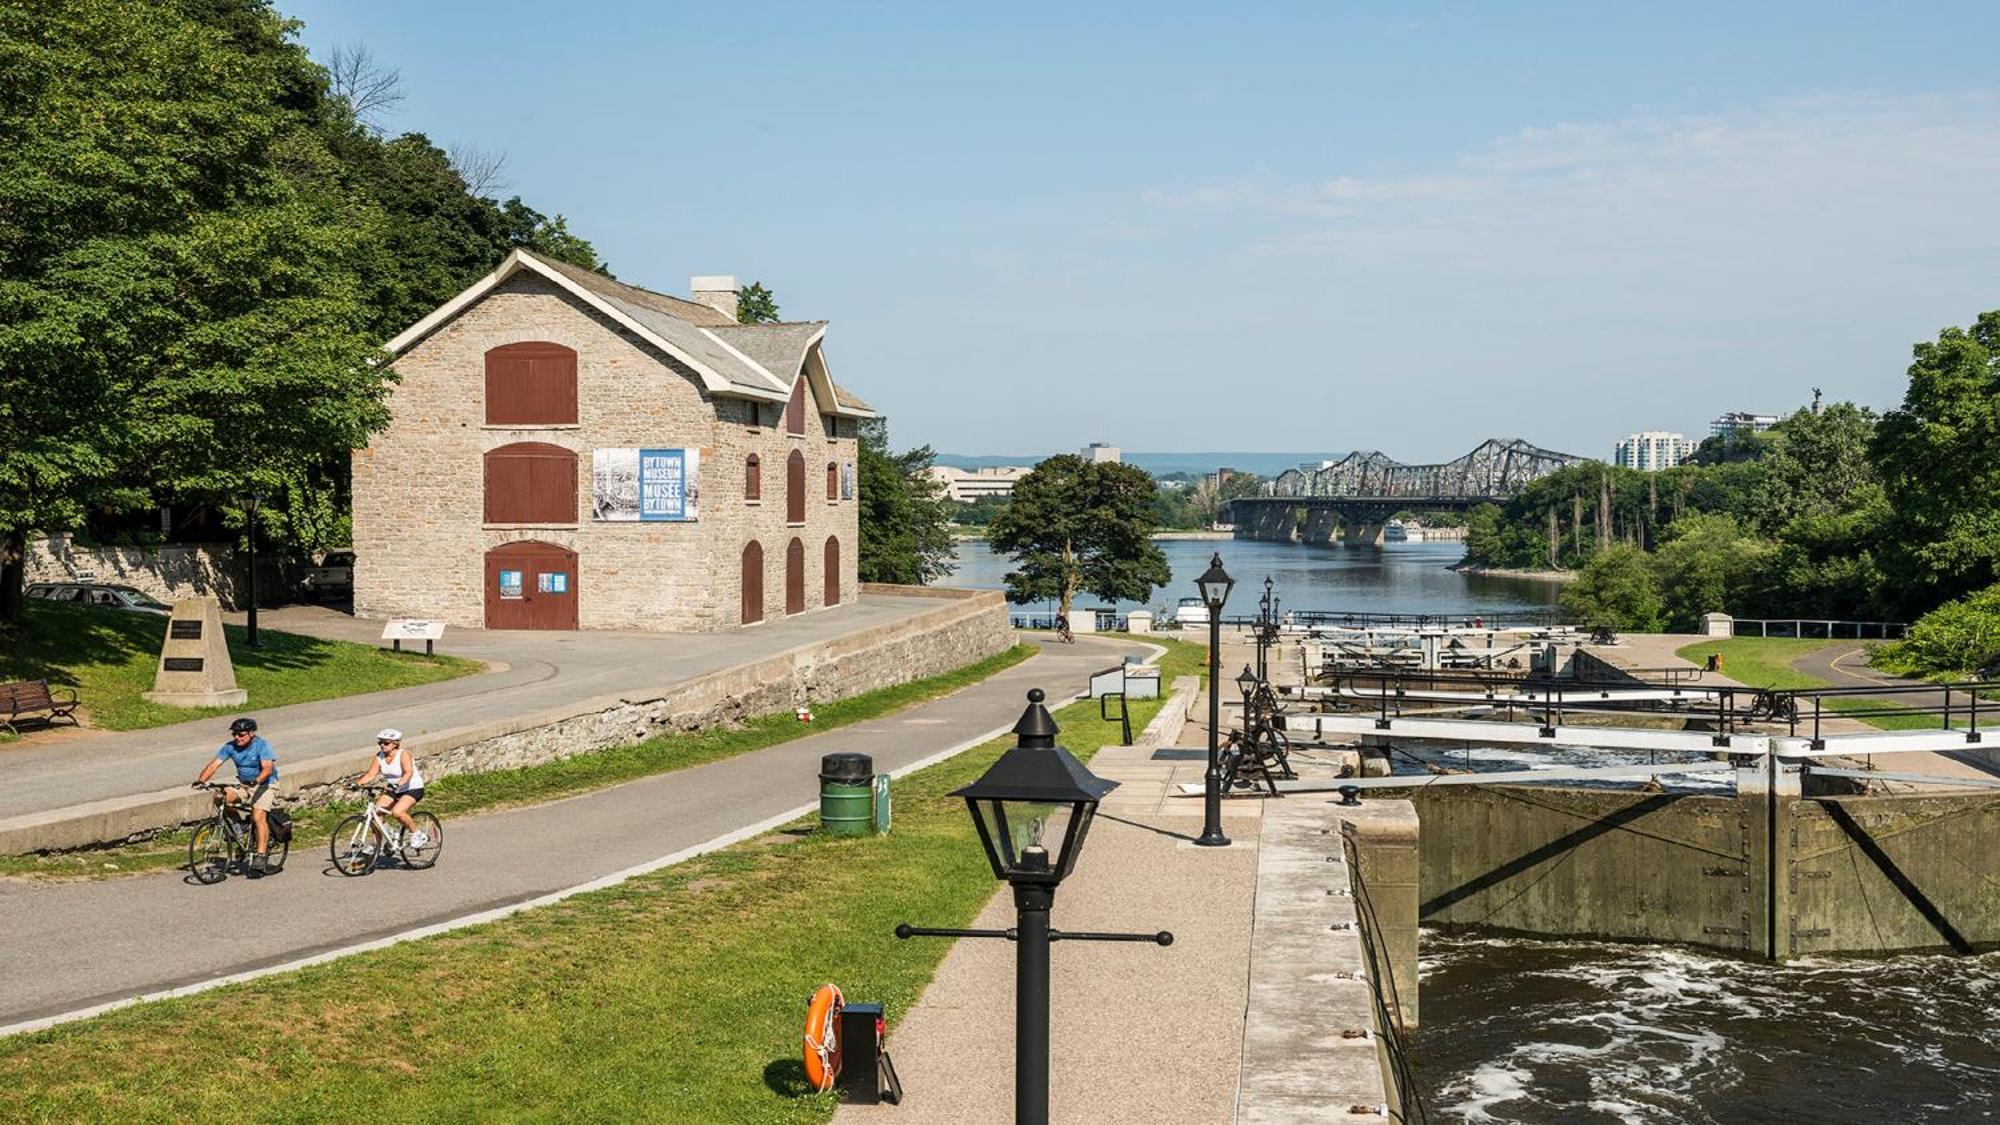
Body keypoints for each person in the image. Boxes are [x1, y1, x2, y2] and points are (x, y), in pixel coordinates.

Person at [193, 716, 280, 874]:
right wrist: (201, 780)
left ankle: (261, 855)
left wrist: (256, 781)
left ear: (252, 734)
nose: (237, 738)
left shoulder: (262, 745)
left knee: (258, 816)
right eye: (234, 734)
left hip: (265, 784)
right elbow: (214, 765)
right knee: (220, 798)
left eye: (241, 735)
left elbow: (267, 768)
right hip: (244, 784)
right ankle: (237, 826)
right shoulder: (230, 747)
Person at [353, 728, 429, 850]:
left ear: (395, 744)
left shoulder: (403, 754)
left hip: (412, 788)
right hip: (394, 789)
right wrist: (357, 784)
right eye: (380, 742)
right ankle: (379, 843)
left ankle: (417, 834)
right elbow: (370, 774)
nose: (382, 745)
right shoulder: (379, 756)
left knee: (397, 812)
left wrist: (398, 784)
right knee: (376, 815)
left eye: (386, 743)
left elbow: (408, 772)